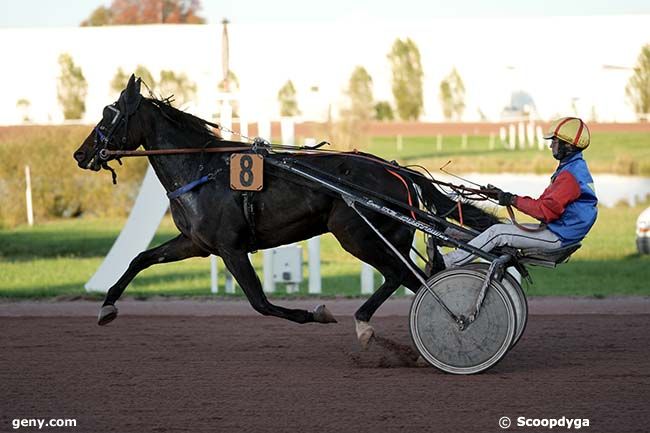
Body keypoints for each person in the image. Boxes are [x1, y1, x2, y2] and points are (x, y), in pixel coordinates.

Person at [441, 116, 598, 269]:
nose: (551, 146)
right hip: (559, 231)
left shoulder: (570, 175)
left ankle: (448, 262)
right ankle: (451, 234)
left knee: (498, 233)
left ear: (568, 145)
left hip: (558, 237)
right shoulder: (572, 168)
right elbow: (544, 204)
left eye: (554, 141)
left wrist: (512, 200)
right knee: (502, 228)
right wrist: (502, 195)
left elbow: (544, 211)